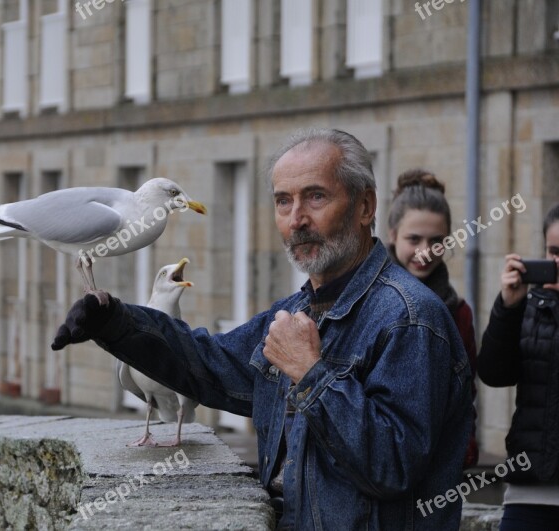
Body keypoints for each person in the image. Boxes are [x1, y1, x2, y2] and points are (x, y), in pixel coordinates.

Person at [52, 128, 473, 530]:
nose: (297, 219)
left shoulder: (411, 319)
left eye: (316, 197)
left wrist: (311, 374)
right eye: (283, 201)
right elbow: (209, 365)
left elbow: (392, 466)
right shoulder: (298, 310)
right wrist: (117, 321)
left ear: (365, 207)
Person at [386, 170, 479, 469]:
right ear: (392, 234)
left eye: (436, 241)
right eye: (414, 239)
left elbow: (465, 397)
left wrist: (462, 453)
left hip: (438, 471)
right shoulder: (361, 299)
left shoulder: (459, 313)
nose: (425, 252)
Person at [477, 204, 559, 531]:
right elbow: (494, 374)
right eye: (553, 252)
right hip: (531, 493)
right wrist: (508, 307)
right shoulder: (530, 308)